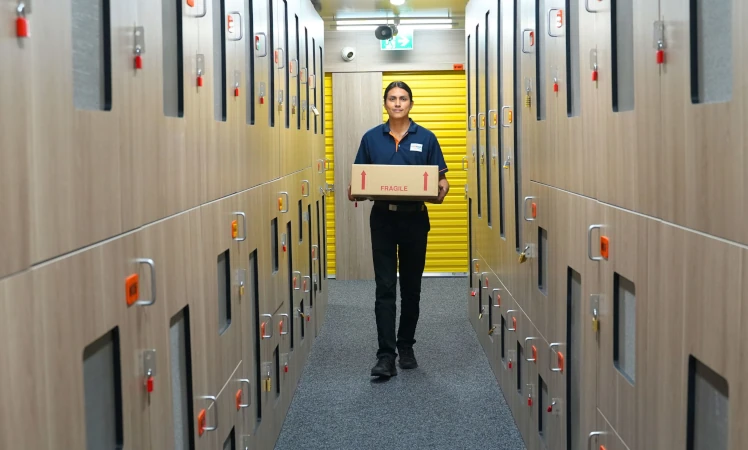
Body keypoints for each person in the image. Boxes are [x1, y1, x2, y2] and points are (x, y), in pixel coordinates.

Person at [347, 81, 450, 378]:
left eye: (403, 98)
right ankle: (385, 355)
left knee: (411, 287)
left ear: (410, 104)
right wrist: (354, 190)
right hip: (382, 219)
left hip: (415, 219)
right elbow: (358, 181)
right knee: (385, 288)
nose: (397, 103)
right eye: (392, 98)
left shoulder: (427, 138)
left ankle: (406, 346)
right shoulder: (371, 138)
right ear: (385, 103)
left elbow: (442, 180)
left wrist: (442, 189)